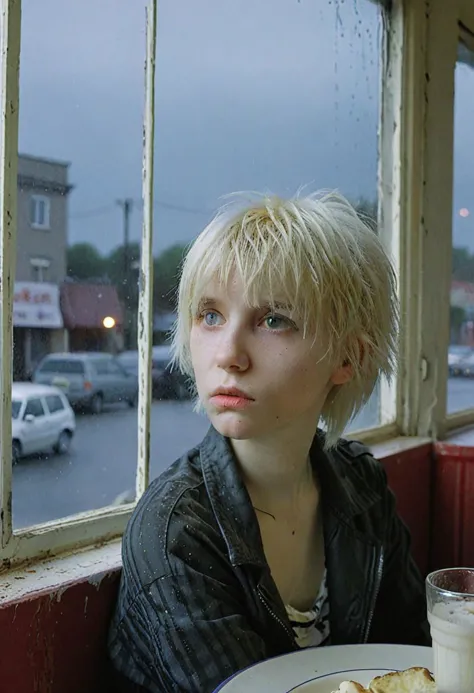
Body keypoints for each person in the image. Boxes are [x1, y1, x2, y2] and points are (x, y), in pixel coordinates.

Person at [108, 191, 430, 693]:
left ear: (347, 357)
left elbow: (416, 662)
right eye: (209, 315)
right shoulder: (176, 531)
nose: (228, 354)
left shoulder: (361, 484)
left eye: (273, 319)